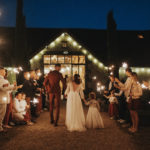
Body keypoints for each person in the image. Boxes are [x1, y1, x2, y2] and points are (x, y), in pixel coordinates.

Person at [0, 67, 21, 132]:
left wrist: (13, 87)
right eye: (3, 71)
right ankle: (0, 128)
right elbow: (4, 88)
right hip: (1, 99)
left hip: (2, 98)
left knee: (2, 114)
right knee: (1, 114)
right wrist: (12, 85)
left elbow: (7, 89)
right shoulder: (1, 80)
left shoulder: (3, 79)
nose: (5, 72)